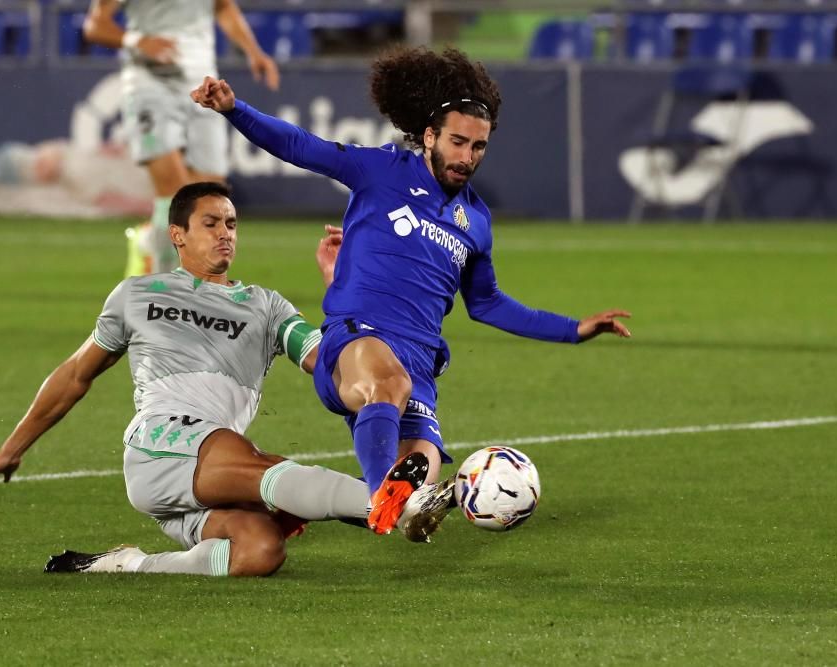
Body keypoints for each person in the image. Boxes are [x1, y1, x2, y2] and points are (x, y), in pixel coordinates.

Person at [190, 46, 633, 537]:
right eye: (459, 142)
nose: (467, 157)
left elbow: (486, 303)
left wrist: (573, 329)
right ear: (429, 136)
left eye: (478, 147)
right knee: (389, 390)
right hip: (357, 338)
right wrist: (234, 109)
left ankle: (329, 503)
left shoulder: (477, 221)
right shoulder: (382, 170)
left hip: (420, 361)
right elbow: (301, 145)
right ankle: (384, 498)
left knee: (424, 465)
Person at [0, 182, 406, 578]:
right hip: (160, 442)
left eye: (231, 223)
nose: (224, 233)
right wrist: (9, 450)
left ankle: (129, 564)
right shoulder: (136, 294)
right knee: (261, 467)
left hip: (205, 470)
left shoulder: (266, 307)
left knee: (260, 550)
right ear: (178, 235)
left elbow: (331, 361)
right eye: (210, 223)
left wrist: (343, 287)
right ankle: (397, 503)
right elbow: (76, 374)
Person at [82, 0, 280, 276]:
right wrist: (138, 41)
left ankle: (150, 243)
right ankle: (163, 295)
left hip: (203, 87)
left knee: (211, 198)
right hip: (149, 86)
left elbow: (223, 7)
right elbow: (94, 25)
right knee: (174, 195)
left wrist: (253, 51)